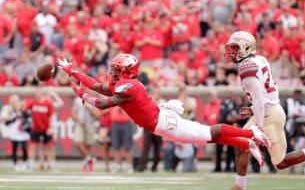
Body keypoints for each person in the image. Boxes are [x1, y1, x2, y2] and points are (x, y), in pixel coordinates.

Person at [56, 53, 271, 166]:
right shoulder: (125, 83)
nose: (111, 72)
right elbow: (97, 86)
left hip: (164, 123)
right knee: (207, 137)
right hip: (161, 122)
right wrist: (73, 72)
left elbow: (102, 103)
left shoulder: (130, 86)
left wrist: (82, 95)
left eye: (115, 69)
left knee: (210, 133)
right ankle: (247, 141)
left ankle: (252, 134)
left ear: (125, 71)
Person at [223, 31, 305, 190]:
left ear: (246, 48)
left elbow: (260, 99)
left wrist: (258, 127)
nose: (232, 52)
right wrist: (254, 110)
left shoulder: (246, 67)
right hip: (269, 110)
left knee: (280, 162)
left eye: (235, 47)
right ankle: (240, 185)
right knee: (239, 142)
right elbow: (263, 95)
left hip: (270, 115)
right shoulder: (259, 59)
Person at [26, 88, 55, 171]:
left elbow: (51, 116)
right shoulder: (33, 102)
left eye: (39, 93)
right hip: (35, 128)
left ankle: (51, 164)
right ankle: (31, 164)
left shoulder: (48, 103)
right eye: (36, 93)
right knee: (32, 146)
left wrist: (50, 127)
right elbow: (25, 109)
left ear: (42, 93)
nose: (37, 94)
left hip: (46, 128)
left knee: (50, 146)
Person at [137, 87, 164, 172]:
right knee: (146, 147)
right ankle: (142, 166)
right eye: (155, 92)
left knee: (157, 148)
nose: (157, 94)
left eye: (158, 92)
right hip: (149, 126)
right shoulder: (148, 100)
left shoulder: (163, 102)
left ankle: (155, 166)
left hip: (159, 127)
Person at [0, 94, 30, 171]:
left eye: (16, 101)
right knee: (14, 149)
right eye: (14, 101)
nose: (15, 103)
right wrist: (12, 118)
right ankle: (15, 164)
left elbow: (27, 117)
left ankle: (25, 163)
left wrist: (21, 111)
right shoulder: (10, 110)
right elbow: (7, 122)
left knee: (24, 148)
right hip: (14, 132)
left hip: (22, 132)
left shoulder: (22, 110)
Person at [71, 95, 98, 172]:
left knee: (88, 145)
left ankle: (87, 165)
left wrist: (89, 109)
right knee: (78, 142)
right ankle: (90, 159)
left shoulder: (92, 99)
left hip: (90, 123)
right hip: (80, 123)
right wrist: (79, 120)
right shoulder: (77, 100)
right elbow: (73, 113)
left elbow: (97, 115)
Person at [110, 106, 134, 172]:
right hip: (115, 123)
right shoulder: (111, 97)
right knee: (116, 146)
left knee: (128, 146)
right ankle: (118, 166)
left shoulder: (127, 96)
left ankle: (129, 166)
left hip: (126, 122)